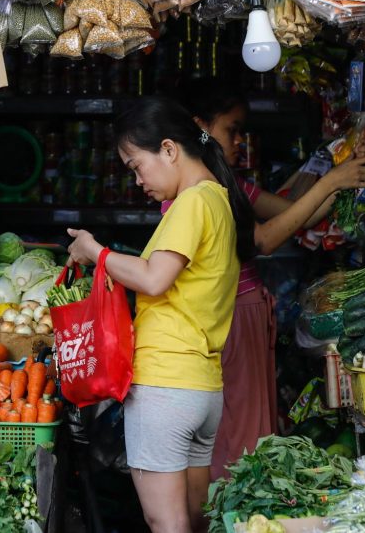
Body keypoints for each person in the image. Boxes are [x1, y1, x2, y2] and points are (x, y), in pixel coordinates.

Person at [66, 97, 256, 533]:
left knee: (166, 522)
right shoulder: (219, 200)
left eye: (136, 165)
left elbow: (154, 278)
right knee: (193, 520)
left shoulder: (192, 202)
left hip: (166, 386)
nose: (137, 180)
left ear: (169, 150)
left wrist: (96, 252)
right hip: (202, 389)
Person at [180, 78, 365, 479]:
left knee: (247, 421)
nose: (239, 140)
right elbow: (264, 240)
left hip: (247, 314)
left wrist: (345, 172)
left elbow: (299, 212)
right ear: (200, 126)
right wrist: (332, 181)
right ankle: (235, 511)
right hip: (229, 318)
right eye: (231, 129)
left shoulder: (231, 184)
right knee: (239, 429)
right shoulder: (202, 188)